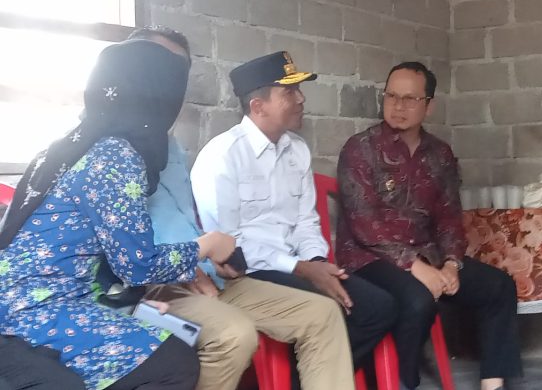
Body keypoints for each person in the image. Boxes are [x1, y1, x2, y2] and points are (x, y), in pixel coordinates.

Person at [122, 28, 356, 390]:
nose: (170, 81)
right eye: (160, 66)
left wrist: (312, 259)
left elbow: (194, 227)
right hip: (158, 282)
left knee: (325, 313)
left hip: (213, 273)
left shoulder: (171, 148)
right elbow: (131, 249)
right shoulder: (113, 150)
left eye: (178, 70)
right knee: (234, 333)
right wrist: (188, 261)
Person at [0, 38, 239, 389]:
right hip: (34, 313)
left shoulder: (70, 145)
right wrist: (207, 245)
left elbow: (81, 251)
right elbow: (137, 265)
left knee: (153, 339)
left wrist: (123, 304)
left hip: (24, 299)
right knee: (174, 362)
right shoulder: (116, 157)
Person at [190, 51, 397, 371]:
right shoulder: (222, 156)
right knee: (328, 307)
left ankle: (309, 378)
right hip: (248, 273)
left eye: (298, 89)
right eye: (289, 92)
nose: (301, 98)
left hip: (297, 264)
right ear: (258, 106)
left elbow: (305, 220)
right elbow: (229, 246)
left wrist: (317, 262)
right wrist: (301, 268)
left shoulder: (296, 150)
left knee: (378, 306)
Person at [335, 62, 522, 390]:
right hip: (369, 259)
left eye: (410, 98)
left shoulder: (440, 154)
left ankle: (493, 385)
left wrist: (451, 264)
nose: (398, 106)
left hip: (429, 256)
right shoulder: (360, 149)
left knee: (498, 287)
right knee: (417, 299)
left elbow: (449, 216)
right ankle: (403, 382)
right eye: (391, 96)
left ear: (429, 105)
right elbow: (365, 224)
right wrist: (414, 267)